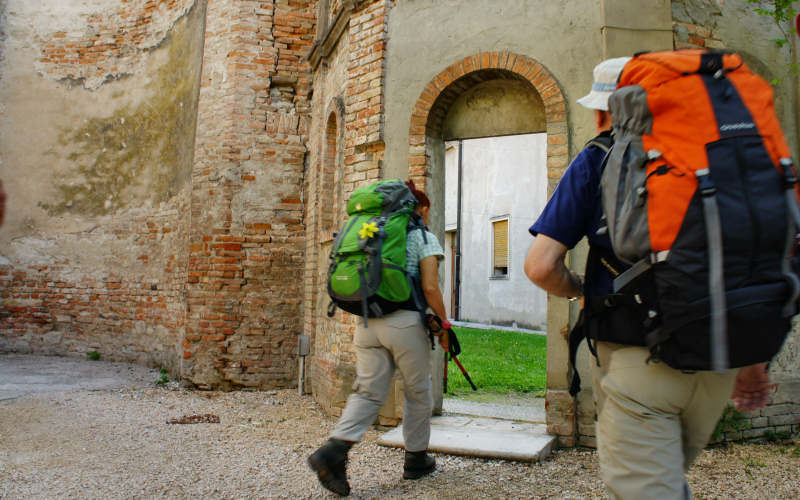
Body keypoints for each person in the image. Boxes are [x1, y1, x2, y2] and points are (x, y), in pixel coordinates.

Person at [524, 58, 774, 499]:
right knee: (665, 481)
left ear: (607, 110)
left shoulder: (598, 157)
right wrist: (753, 361)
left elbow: (540, 266)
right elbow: (753, 259)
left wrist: (582, 288)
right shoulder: (728, 159)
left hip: (638, 360)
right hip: (720, 360)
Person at [308, 179, 450, 497]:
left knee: (368, 392)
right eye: (426, 210)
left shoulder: (372, 232)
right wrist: (443, 324)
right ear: (420, 209)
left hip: (368, 322)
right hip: (404, 323)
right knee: (418, 390)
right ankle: (416, 460)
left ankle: (333, 452)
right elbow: (430, 287)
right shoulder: (422, 236)